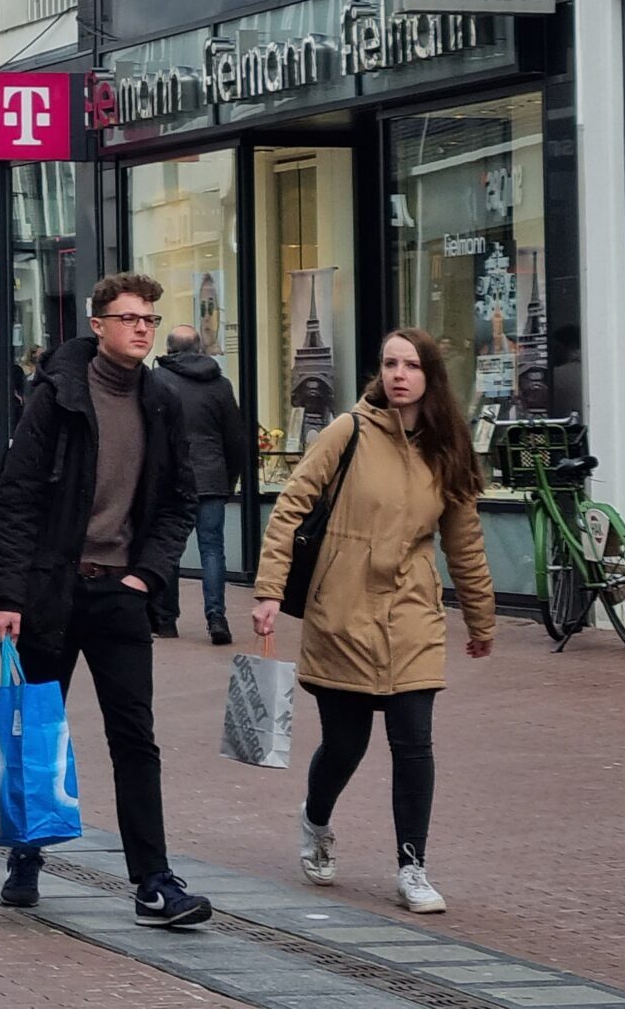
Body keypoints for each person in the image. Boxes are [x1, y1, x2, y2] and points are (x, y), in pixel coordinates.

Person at [0, 272, 210, 928]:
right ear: (100, 324)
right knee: (37, 732)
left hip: (119, 596)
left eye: (150, 319)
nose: (142, 328)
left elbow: (178, 503)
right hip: (51, 592)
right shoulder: (57, 397)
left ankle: (154, 883)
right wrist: (8, 594)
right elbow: (17, 499)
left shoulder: (164, 400)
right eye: (130, 317)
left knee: (135, 738)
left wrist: (148, 576)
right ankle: (25, 854)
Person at [253, 328, 496, 916]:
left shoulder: (447, 447)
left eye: (410, 364)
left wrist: (480, 618)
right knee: (346, 744)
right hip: (342, 610)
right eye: (389, 363)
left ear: (430, 375)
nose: (398, 374)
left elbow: (463, 541)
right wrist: (268, 590)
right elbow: (291, 505)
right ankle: (315, 821)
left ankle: (412, 865)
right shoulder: (350, 430)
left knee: (414, 744)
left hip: (412, 612)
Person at [154, 326, 249, 645]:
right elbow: (235, 438)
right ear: (199, 348)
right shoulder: (220, 385)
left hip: (171, 480)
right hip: (211, 478)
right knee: (213, 550)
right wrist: (229, 478)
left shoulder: (158, 381)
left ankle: (166, 620)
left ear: (169, 349)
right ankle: (216, 617)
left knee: (169, 549)